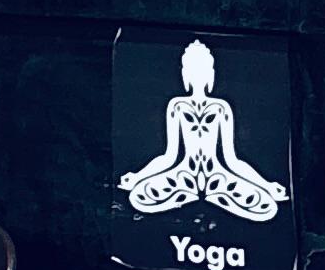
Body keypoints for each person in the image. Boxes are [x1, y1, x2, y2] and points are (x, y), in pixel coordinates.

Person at [119, 39, 287, 222]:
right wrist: (137, 177)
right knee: (139, 197)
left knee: (266, 207)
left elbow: (233, 161)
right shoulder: (177, 105)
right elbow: (169, 156)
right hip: (183, 177)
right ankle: (191, 198)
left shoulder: (220, 107)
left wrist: (267, 186)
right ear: (185, 73)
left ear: (210, 73)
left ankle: (209, 198)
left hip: (218, 178)